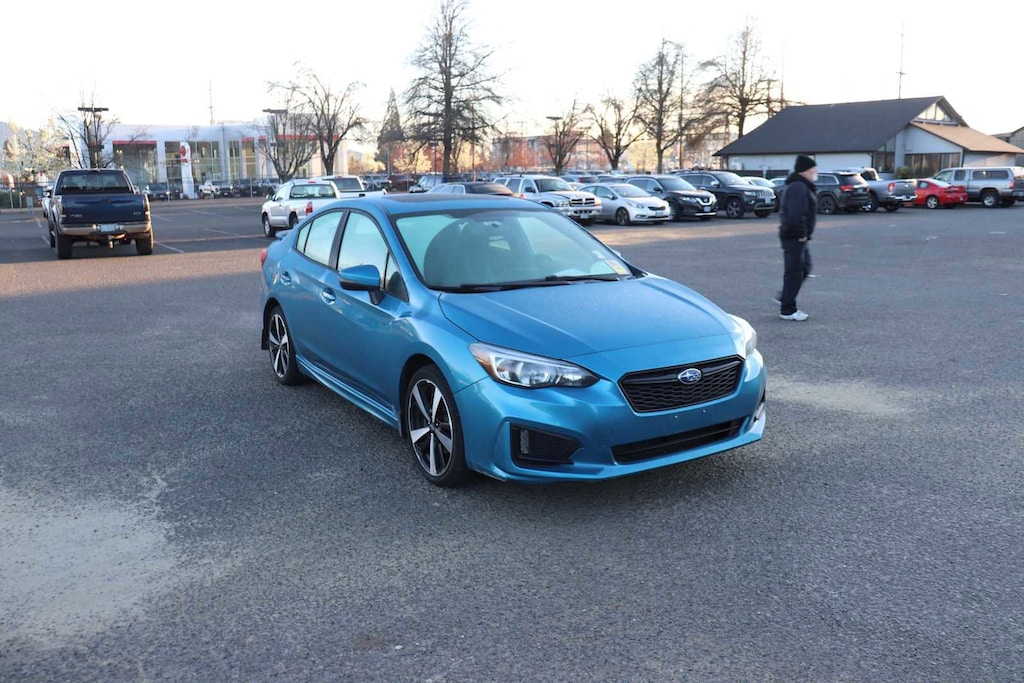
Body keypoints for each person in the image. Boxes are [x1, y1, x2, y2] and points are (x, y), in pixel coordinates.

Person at [777, 154, 818, 321]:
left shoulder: (802, 186)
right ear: (804, 171)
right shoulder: (798, 187)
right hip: (794, 236)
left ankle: (785, 297)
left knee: (805, 268)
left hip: (798, 236)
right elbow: (796, 214)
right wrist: (801, 234)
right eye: (813, 169)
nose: (815, 172)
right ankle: (787, 309)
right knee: (794, 271)